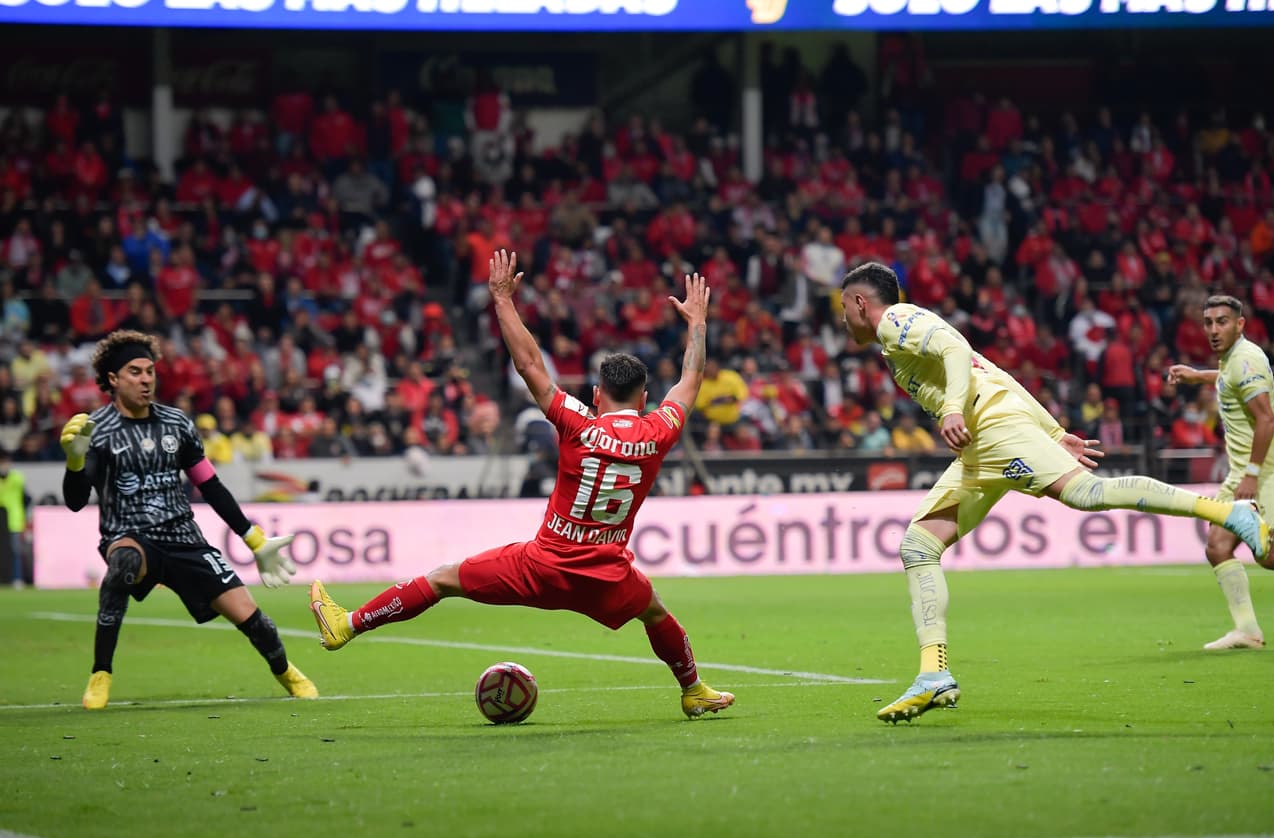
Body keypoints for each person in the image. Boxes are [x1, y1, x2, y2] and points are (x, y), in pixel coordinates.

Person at [310, 251, 735, 718]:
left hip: (544, 565)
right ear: (646, 398)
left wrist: (502, 300)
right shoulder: (659, 431)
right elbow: (691, 379)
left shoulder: (578, 423)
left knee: (441, 580)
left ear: (596, 395)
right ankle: (693, 689)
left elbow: (530, 365)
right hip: (607, 575)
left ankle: (348, 624)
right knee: (654, 612)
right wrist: (697, 322)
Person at [839, 263, 1268, 723]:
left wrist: (949, 409)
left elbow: (955, 348)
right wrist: (1053, 429)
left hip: (993, 429)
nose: (843, 318)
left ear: (862, 303)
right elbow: (992, 369)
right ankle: (933, 674)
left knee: (1088, 494)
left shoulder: (895, 319)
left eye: (845, 308)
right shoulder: (892, 341)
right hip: (982, 444)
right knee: (918, 545)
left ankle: (1230, 512)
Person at [60, 330, 317, 710]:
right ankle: (101, 673)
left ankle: (286, 672)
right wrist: (75, 461)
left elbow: (210, 486)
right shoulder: (96, 430)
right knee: (124, 563)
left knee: (254, 619)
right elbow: (76, 502)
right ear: (113, 379)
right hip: (129, 534)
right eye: (135, 372)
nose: (146, 379)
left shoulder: (177, 425)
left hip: (183, 538)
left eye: (150, 371)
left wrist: (254, 540)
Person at [1167, 294, 1274, 650]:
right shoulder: (1233, 361)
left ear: (1240, 324)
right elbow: (1228, 378)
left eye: (1223, 322)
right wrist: (1199, 376)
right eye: (1209, 322)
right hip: (1243, 472)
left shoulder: (1245, 360)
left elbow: (1267, 419)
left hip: (1267, 470)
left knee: (1271, 556)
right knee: (1217, 546)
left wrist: (1252, 473)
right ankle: (1247, 630)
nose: (1214, 330)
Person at [0, 450, 26, 587]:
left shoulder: (16, 477)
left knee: (16, 550)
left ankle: (17, 578)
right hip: (2, 519)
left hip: (14, 519)